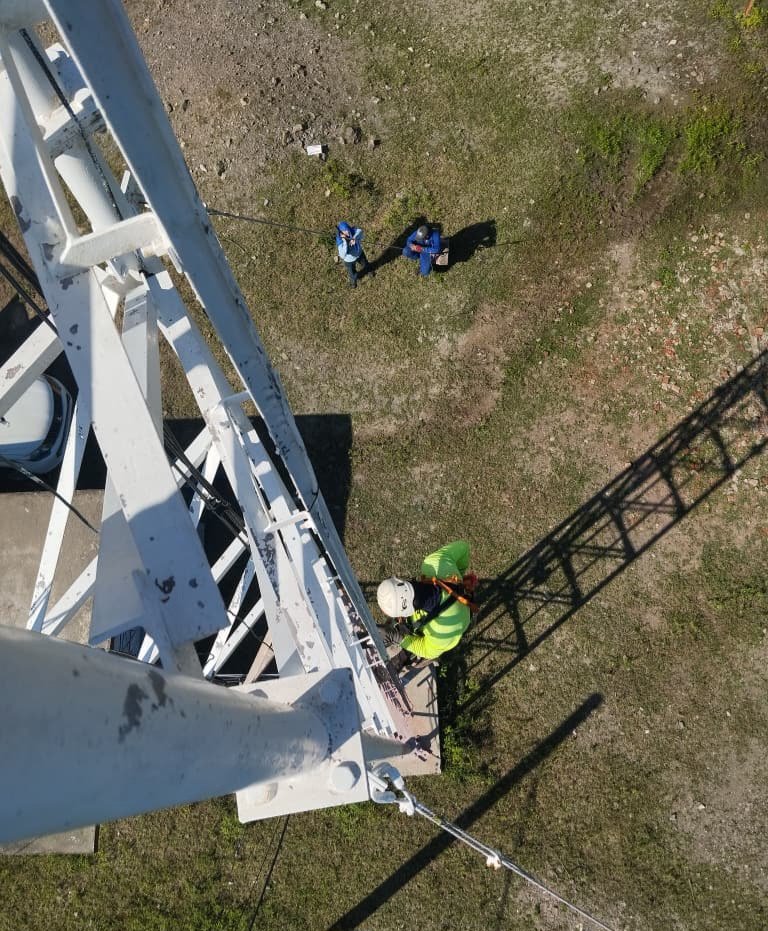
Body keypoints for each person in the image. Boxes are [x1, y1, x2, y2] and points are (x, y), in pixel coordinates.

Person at [377, 540, 477, 670]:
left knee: (413, 644)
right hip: (456, 600)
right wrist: (459, 576)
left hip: (461, 618)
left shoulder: (444, 631)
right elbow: (464, 547)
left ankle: (402, 658)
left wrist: (398, 637)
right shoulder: (433, 564)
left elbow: (427, 650)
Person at [336, 220, 371, 288]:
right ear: (341, 233)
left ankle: (369, 272)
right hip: (349, 260)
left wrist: (354, 238)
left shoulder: (353, 231)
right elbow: (342, 255)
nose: (347, 233)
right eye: (344, 231)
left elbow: (361, 232)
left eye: (347, 230)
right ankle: (353, 283)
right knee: (352, 272)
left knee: (365, 264)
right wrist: (345, 242)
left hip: (359, 254)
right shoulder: (340, 241)